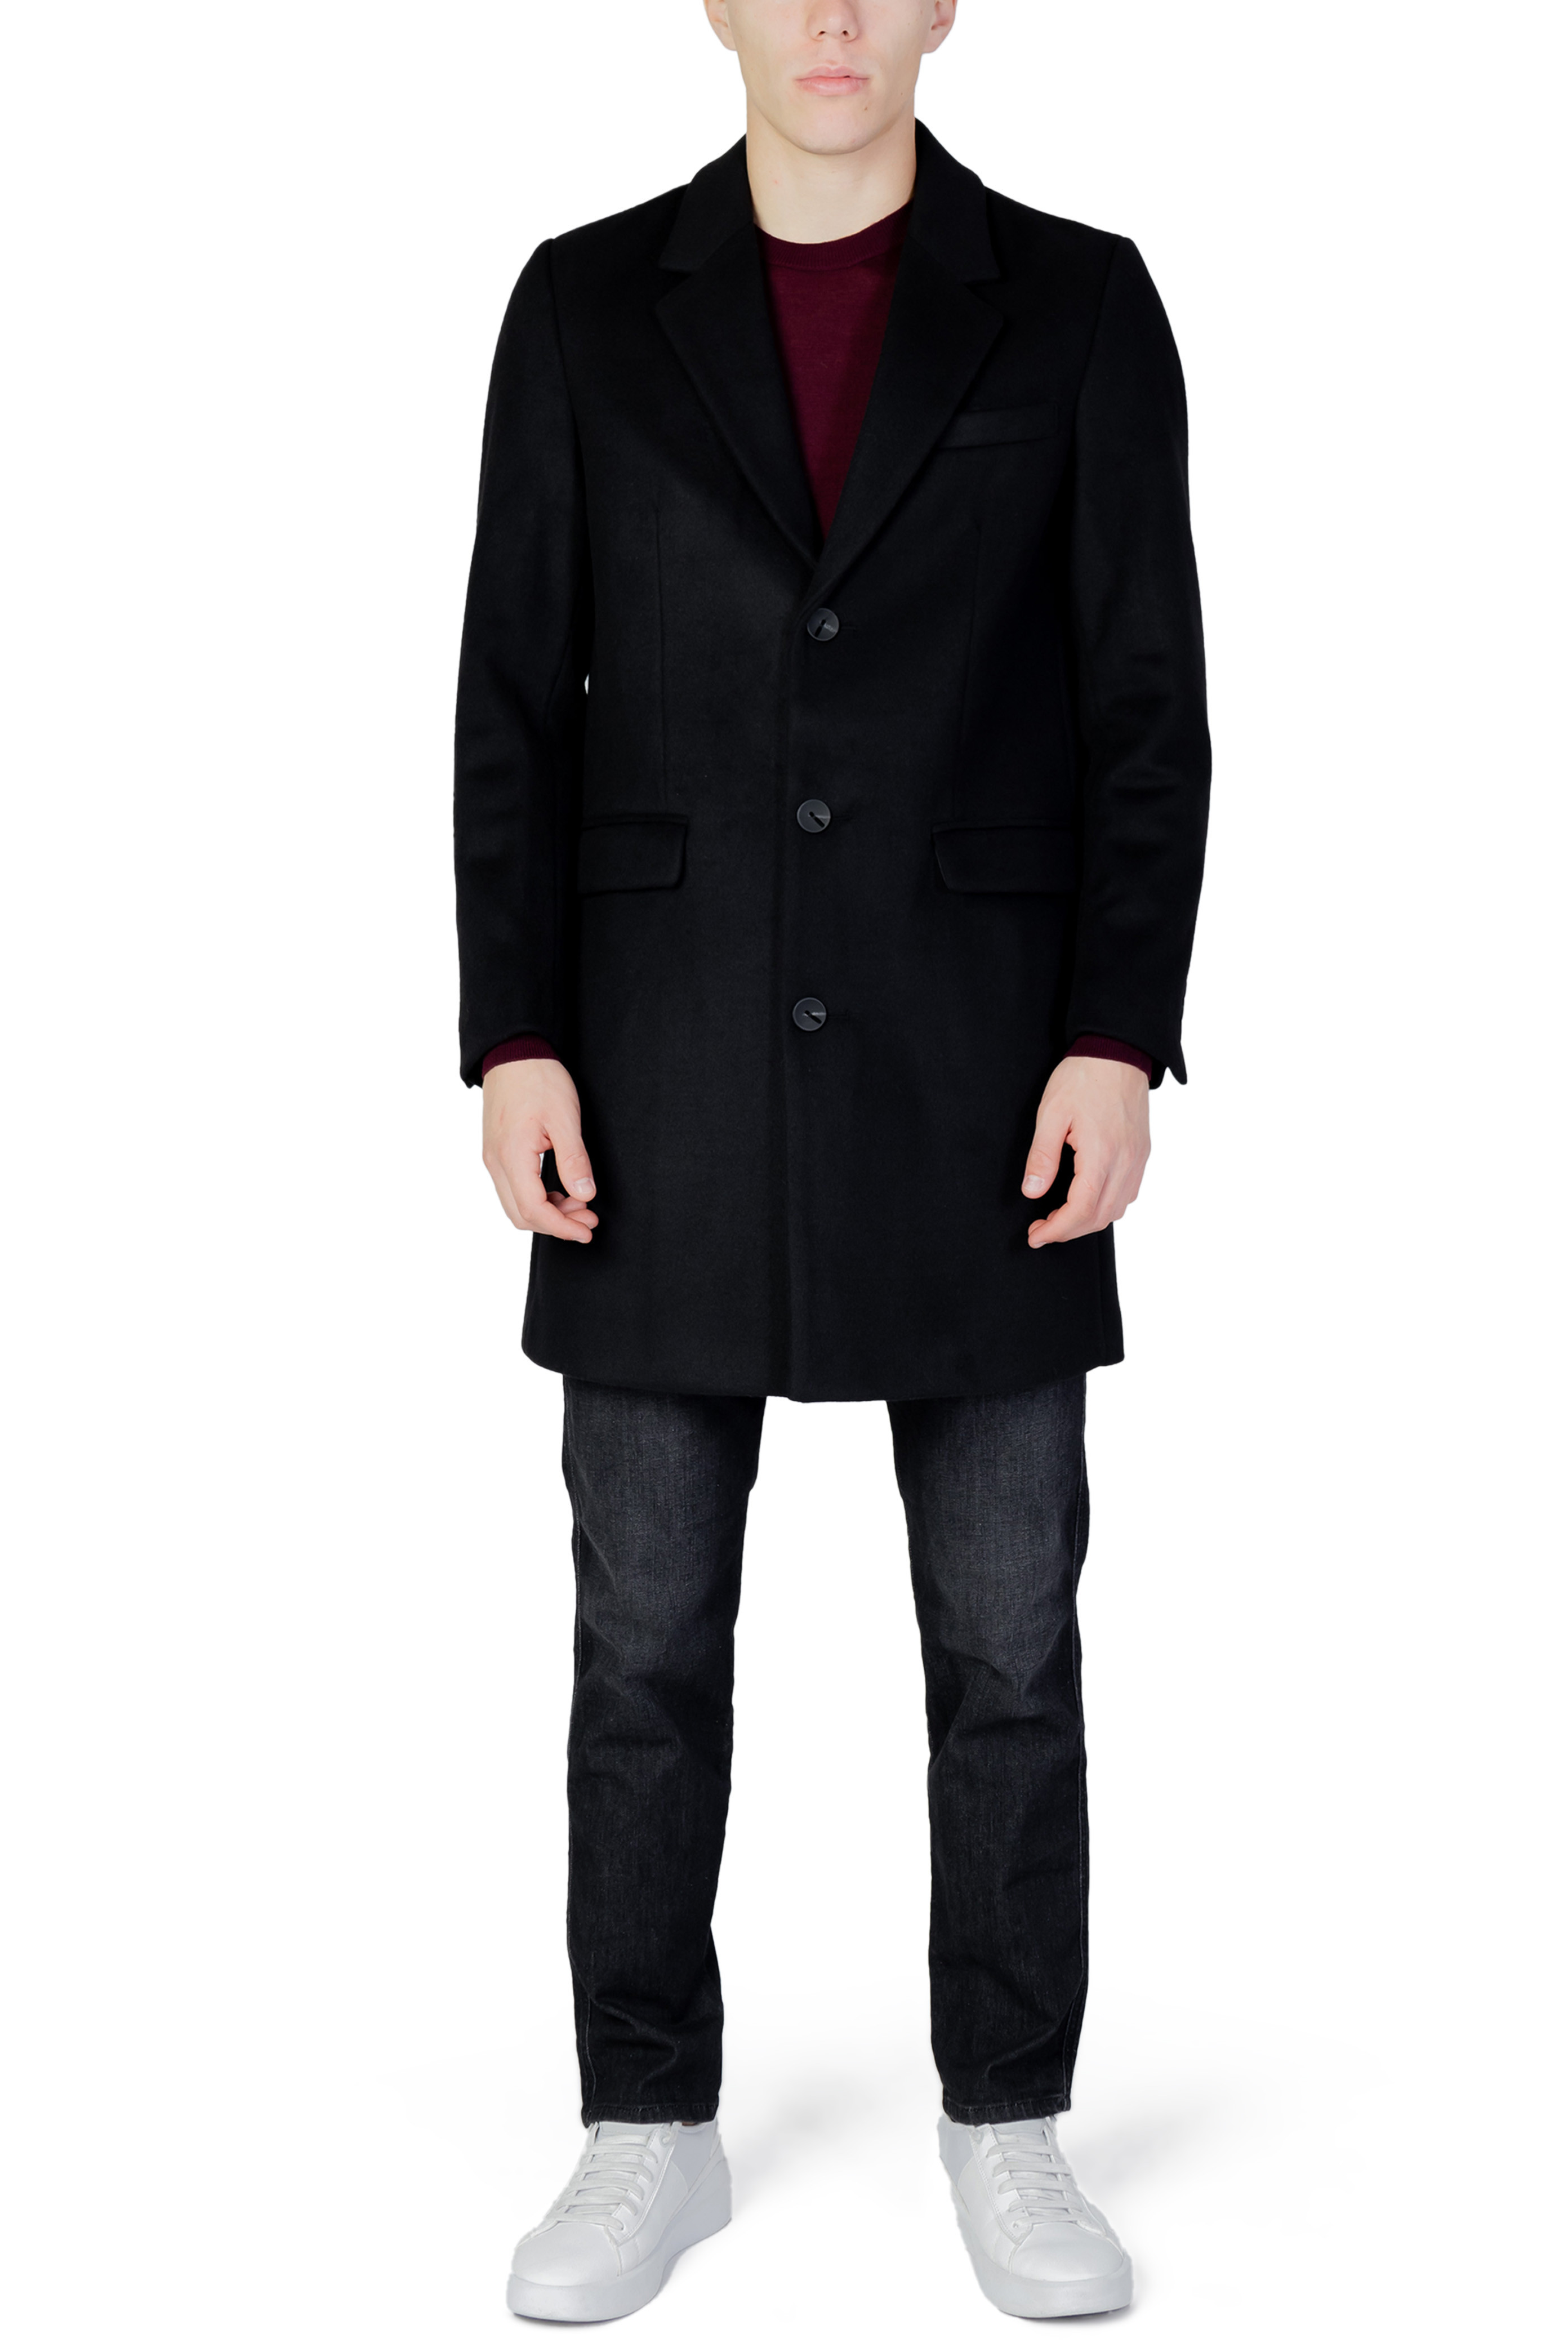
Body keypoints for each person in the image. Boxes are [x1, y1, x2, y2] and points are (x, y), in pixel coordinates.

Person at [453, 0, 1208, 2323]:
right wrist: (513, 1036)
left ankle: (1011, 2119)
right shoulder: (584, 304)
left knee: (1008, 1641)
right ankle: (645, 2125)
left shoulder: (1080, 302)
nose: (836, 19)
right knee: (643, 1645)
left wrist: (1116, 1036)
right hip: (655, 1070)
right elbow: (511, 702)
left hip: (982, 1078)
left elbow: (1147, 707)